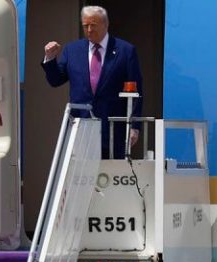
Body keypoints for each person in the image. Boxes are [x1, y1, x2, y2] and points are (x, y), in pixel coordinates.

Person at [41, 5, 143, 159]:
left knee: (111, 172)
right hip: (80, 128)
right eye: (85, 26)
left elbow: (137, 92)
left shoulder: (125, 51)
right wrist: (50, 59)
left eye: (93, 25)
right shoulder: (72, 50)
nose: (89, 30)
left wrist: (134, 126)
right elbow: (56, 80)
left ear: (105, 24)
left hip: (112, 130)